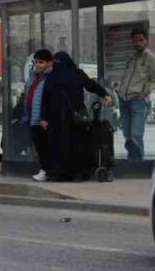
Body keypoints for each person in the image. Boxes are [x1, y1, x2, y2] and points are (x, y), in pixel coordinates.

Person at [40, 51, 112, 181]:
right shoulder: (76, 74)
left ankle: (60, 173)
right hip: (74, 118)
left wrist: (44, 117)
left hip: (59, 118)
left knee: (60, 145)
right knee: (76, 145)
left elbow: (45, 99)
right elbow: (91, 85)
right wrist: (104, 94)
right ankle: (77, 173)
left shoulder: (51, 77)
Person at [114, 27, 155, 162]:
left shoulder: (152, 58)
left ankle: (138, 164)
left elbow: (154, 79)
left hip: (137, 99)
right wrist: (119, 89)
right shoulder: (131, 58)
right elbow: (126, 76)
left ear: (146, 41)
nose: (138, 43)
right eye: (135, 41)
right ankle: (132, 161)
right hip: (124, 98)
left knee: (136, 134)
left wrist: (144, 93)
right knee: (127, 134)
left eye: (141, 40)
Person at [24, 49, 53, 181]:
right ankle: (45, 169)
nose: (37, 65)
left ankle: (46, 170)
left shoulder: (50, 78)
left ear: (49, 63)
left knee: (44, 147)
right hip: (33, 117)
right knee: (38, 146)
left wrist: (45, 117)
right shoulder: (33, 78)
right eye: (36, 62)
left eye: (41, 62)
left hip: (43, 119)